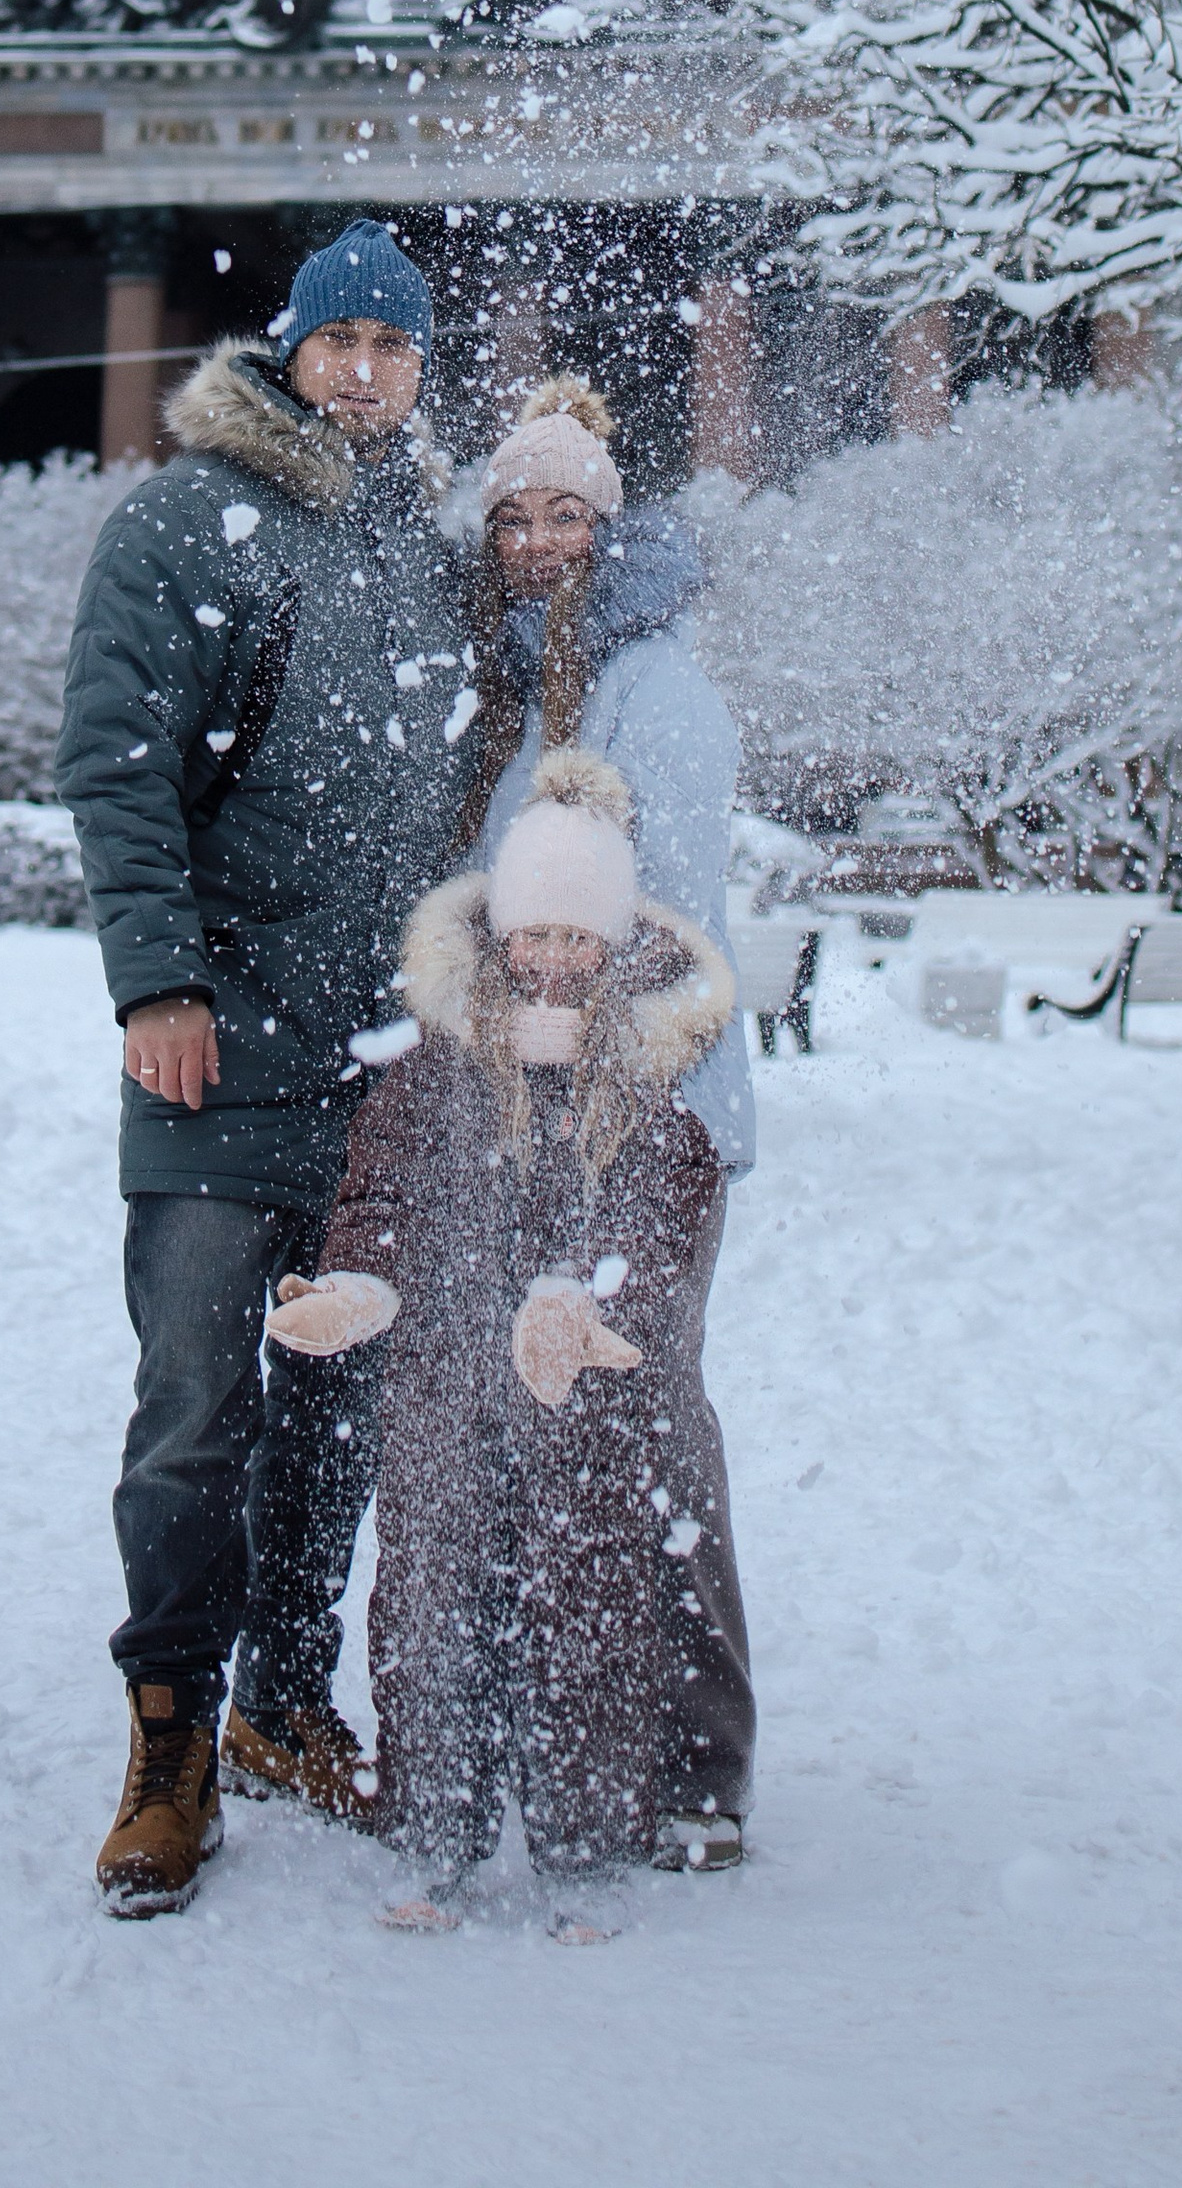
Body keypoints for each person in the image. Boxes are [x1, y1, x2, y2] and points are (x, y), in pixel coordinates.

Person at [55, 218, 468, 1919]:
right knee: (196, 1417)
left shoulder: (428, 551)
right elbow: (114, 760)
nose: (366, 366)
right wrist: (158, 982)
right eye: (340, 339)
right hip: (217, 1058)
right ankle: (170, 1743)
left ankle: (287, 1700)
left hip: (380, 1069)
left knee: (336, 1409)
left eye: (396, 343)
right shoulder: (180, 522)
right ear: (289, 349)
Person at [268, 749, 739, 1939]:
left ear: (618, 946)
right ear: (496, 936)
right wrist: (359, 1283)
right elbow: (378, 1193)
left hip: (580, 1403)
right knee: (430, 1601)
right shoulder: (431, 1075)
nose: (556, 960)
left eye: (581, 941)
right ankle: (434, 1830)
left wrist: (594, 1306)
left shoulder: (645, 1087)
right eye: (536, 936)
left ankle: (585, 1848)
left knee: (587, 1609)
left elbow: (661, 1222)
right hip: (441, 1390)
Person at [461, 371, 756, 1867]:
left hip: (652, 1116)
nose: (535, 538)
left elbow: (672, 935)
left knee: (643, 1411)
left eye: (565, 513)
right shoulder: (523, 683)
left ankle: (698, 1768)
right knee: (549, 1416)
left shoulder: (659, 695)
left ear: (610, 528)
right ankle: (574, 1737)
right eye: (512, 513)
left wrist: (594, 1086)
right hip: (530, 1107)